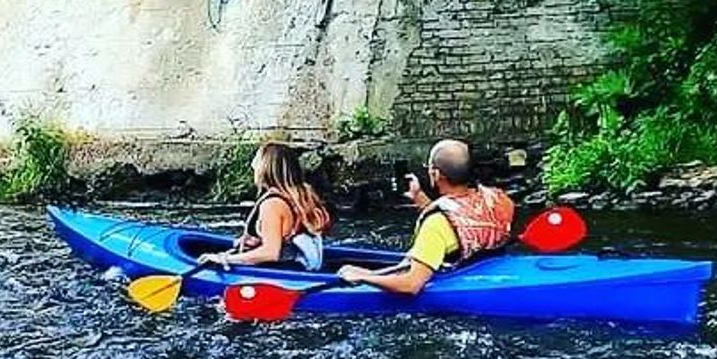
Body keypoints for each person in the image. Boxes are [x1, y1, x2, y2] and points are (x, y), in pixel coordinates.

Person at [337, 139, 514, 294]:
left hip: (454, 286)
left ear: (436, 174)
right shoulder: (499, 199)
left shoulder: (436, 223)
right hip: (488, 270)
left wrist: (363, 277)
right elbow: (464, 219)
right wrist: (420, 197)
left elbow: (411, 285)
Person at [201, 142, 332, 271]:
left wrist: (224, 259)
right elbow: (285, 236)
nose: (253, 166)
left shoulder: (272, 204)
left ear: (265, 168)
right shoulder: (301, 195)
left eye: (256, 162)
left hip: (281, 271)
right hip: (295, 265)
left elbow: (270, 253)